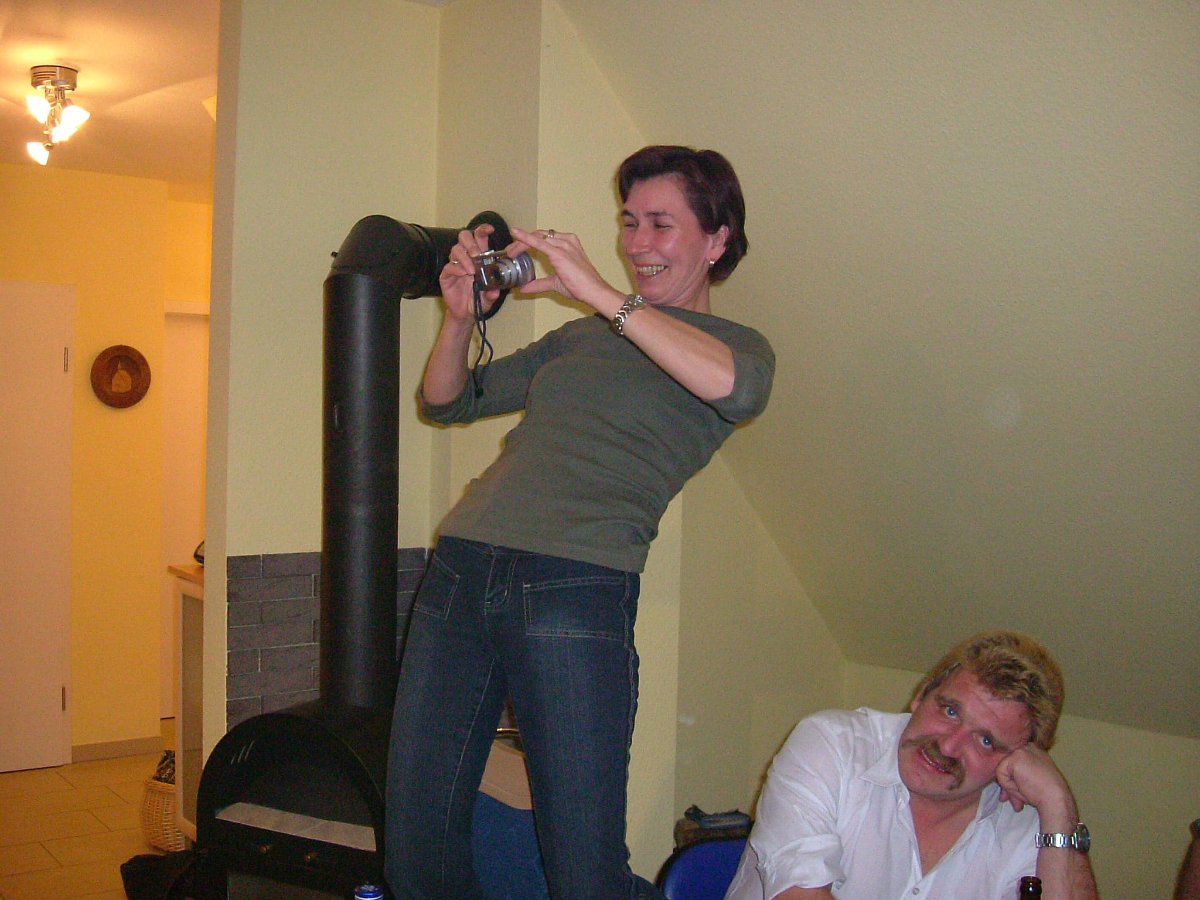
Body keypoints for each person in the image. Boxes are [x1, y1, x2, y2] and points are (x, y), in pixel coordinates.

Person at [385, 145, 775, 899]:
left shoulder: (737, 348)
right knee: (417, 841)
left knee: (581, 865)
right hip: (462, 567)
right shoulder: (581, 338)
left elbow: (738, 391)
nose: (637, 243)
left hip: (575, 585)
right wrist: (459, 319)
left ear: (717, 238)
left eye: (661, 223)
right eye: (629, 222)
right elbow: (447, 400)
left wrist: (599, 292)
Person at [725, 630, 1100, 899]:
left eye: (986, 741)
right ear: (921, 696)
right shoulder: (831, 745)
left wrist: (1059, 806)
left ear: (1018, 760)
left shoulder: (1027, 823)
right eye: (949, 711)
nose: (949, 745)